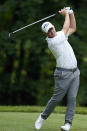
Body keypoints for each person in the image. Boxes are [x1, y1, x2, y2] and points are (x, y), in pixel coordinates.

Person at [35, 7, 80, 131]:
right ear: (45, 34)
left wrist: (71, 14)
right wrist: (66, 14)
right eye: (49, 31)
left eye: (52, 28)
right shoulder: (52, 42)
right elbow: (66, 28)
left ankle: (67, 124)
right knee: (57, 99)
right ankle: (42, 117)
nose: (52, 31)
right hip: (63, 74)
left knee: (72, 98)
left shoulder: (59, 34)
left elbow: (72, 28)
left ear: (54, 27)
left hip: (75, 72)